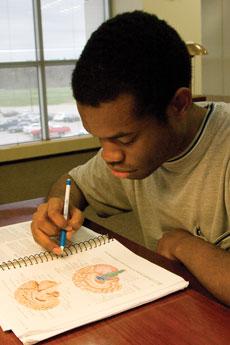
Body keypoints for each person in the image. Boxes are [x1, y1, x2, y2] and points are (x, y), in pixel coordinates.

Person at [31, 11, 230, 305]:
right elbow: (75, 182)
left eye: (124, 139)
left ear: (178, 105)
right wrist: (58, 208)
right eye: (99, 138)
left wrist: (184, 245)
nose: (109, 156)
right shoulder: (129, 155)